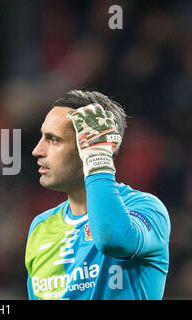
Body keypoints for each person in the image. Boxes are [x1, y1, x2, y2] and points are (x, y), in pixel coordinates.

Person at [26, 89, 170, 300]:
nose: (37, 150)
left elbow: (113, 240)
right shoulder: (40, 227)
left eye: (54, 140)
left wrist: (98, 159)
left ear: (89, 145)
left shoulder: (145, 208)